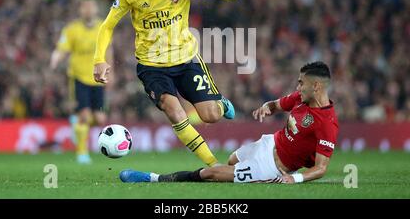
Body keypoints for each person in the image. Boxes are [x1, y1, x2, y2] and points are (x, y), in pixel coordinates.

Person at [93, 0, 249, 167]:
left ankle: (221, 103)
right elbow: (107, 26)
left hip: (186, 60)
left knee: (211, 115)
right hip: (152, 66)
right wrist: (99, 60)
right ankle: (214, 165)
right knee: (175, 112)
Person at [119, 61, 339, 184]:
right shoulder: (300, 98)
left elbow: (321, 168)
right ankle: (236, 175)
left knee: (211, 173)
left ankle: (153, 178)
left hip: (273, 167)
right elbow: (276, 105)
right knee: (231, 161)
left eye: (302, 83)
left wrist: (295, 178)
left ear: (317, 86)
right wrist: (267, 107)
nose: (298, 87)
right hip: (268, 144)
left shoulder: (327, 123)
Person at [50, 0, 111, 164]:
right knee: (85, 115)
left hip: (97, 78)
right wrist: (55, 59)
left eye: (91, 6)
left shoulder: (102, 26)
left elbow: (108, 49)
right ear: (80, 10)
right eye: (85, 7)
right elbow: (62, 49)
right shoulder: (71, 29)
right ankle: (82, 153)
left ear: (96, 9)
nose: (88, 10)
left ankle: (77, 126)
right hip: (78, 78)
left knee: (99, 119)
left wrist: (110, 72)